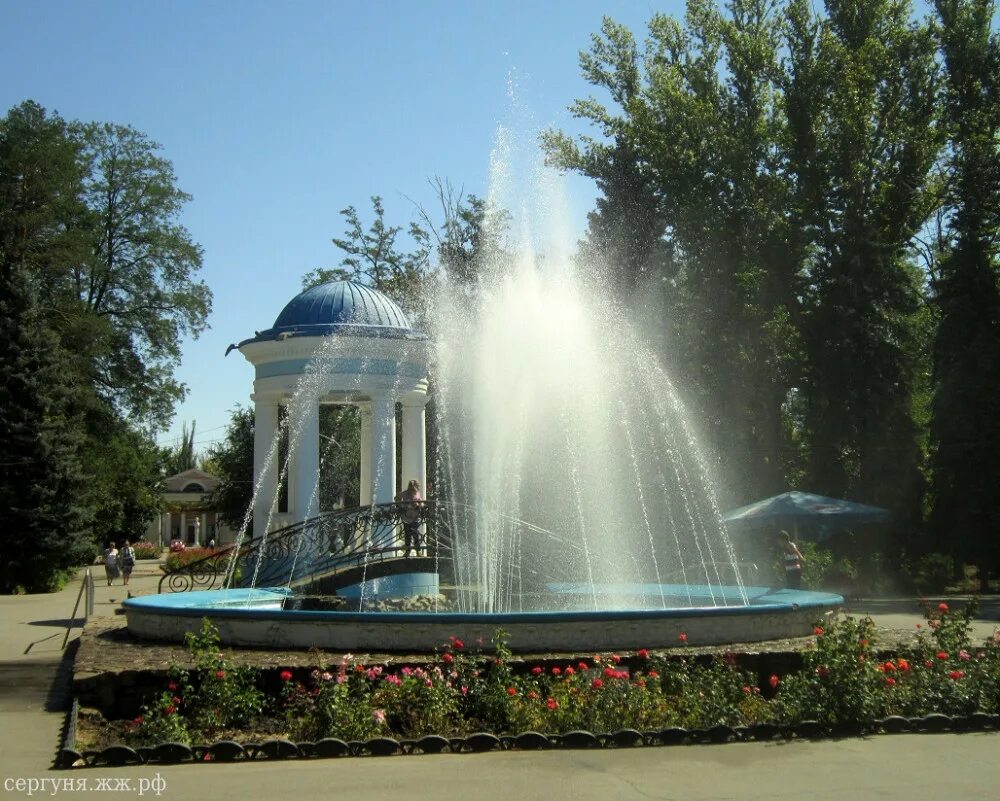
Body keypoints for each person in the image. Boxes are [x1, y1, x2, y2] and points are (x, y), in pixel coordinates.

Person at [395, 479, 423, 557]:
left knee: (415, 533)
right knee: (408, 534)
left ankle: (418, 551)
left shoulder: (417, 493)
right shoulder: (405, 493)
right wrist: (401, 506)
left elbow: (420, 501)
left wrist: (420, 505)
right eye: (411, 487)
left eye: (413, 487)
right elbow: (396, 498)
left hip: (415, 517)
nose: (412, 489)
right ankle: (408, 551)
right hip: (407, 518)